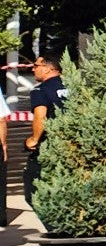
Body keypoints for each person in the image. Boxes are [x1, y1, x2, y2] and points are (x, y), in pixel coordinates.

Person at [22, 53, 66, 212]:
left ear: (47, 69)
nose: (33, 70)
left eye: (35, 66)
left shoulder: (40, 90)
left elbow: (40, 116)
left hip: (50, 147)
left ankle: (57, 229)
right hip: (76, 145)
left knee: (33, 192)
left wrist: (33, 139)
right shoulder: (75, 86)